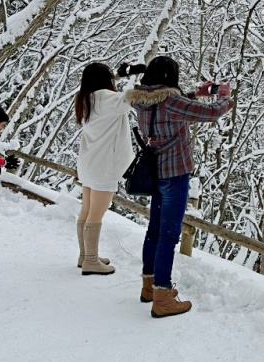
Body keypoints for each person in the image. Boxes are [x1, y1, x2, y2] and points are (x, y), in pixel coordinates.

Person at [125, 56, 234, 318]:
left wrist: (195, 93)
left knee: (154, 230)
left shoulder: (140, 99)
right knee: (169, 234)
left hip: (154, 175)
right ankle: (163, 295)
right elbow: (210, 113)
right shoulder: (172, 102)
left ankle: (149, 286)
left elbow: (169, 103)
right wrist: (225, 98)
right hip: (175, 175)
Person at [75, 61, 144, 276]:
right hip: (104, 166)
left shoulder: (85, 98)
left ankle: (85, 255)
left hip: (88, 164)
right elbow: (132, 97)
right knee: (96, 214)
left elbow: (118, 95)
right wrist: (132, 75)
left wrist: (120, 76)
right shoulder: (107, 98)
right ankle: (91, 261)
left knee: (86, 212)